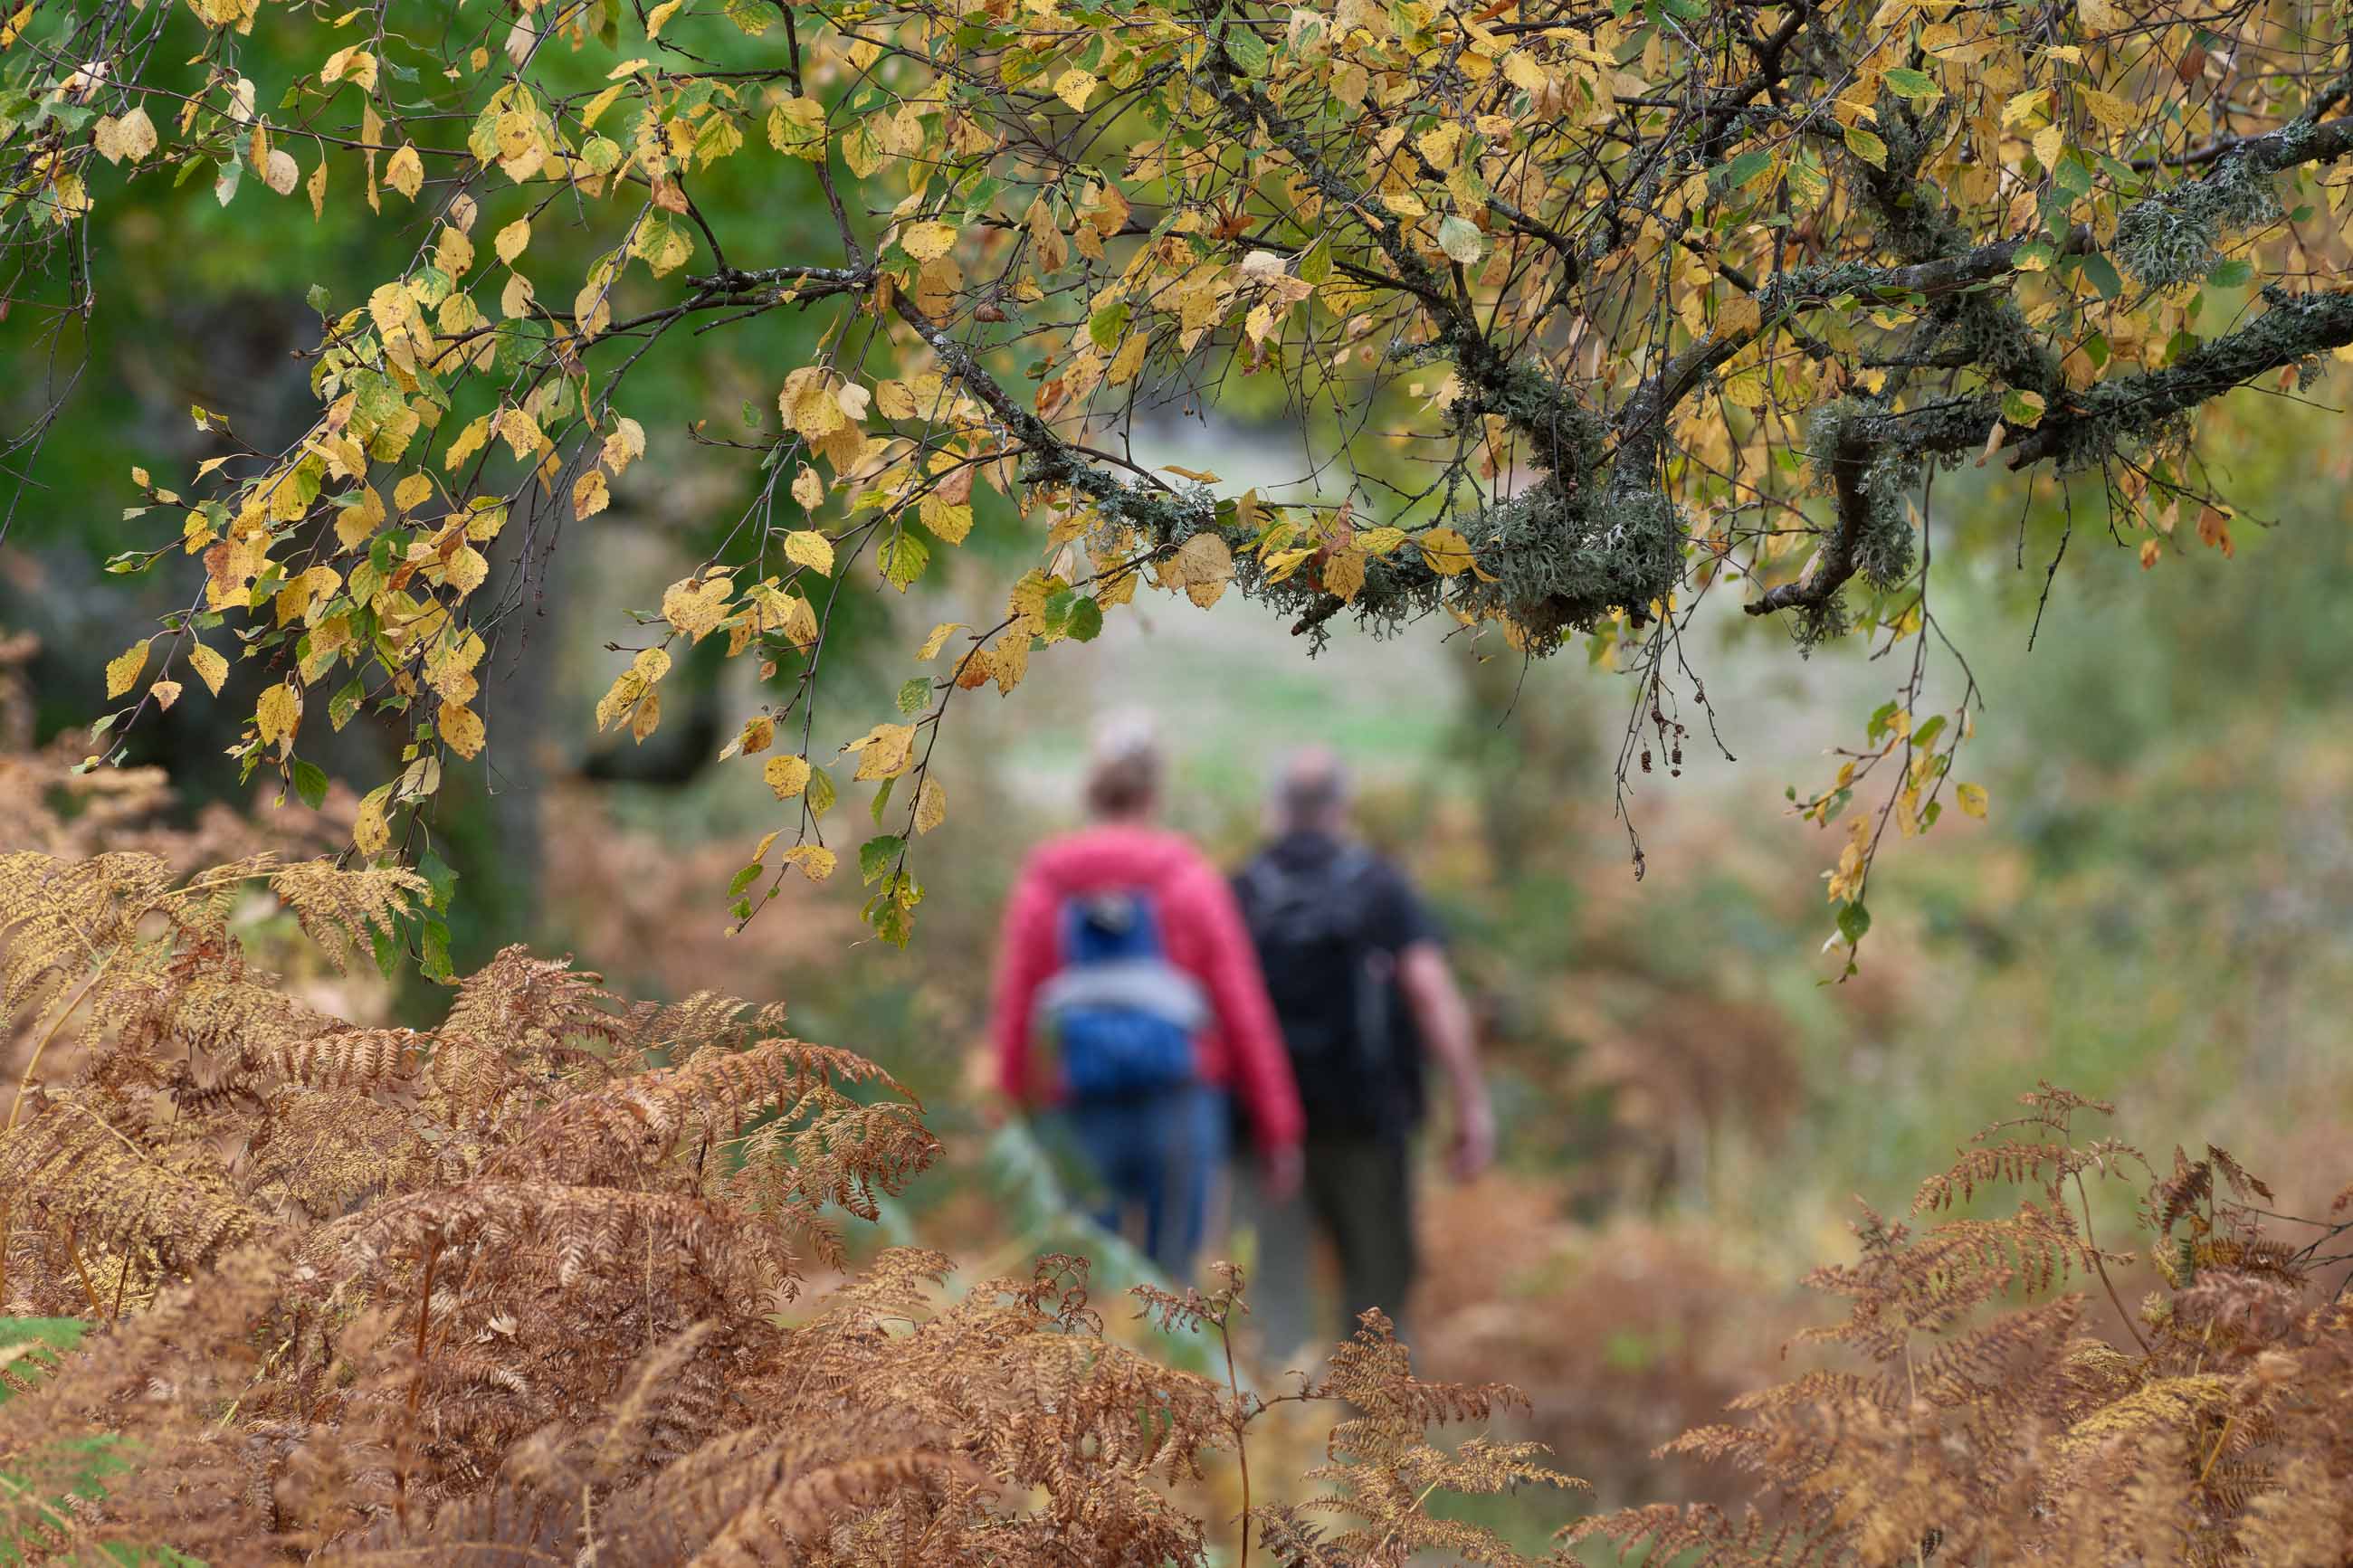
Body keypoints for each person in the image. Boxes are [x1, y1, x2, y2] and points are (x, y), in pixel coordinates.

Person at [991, 714, 1304, 1277]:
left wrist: (1012, 1112)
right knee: (1170, 1290)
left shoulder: (1045, 883)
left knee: (1077, 1296)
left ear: (1090, 789)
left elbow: (1016, 1008)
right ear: (1155, 792)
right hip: (1180, 1104)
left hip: (1075, 1108)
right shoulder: (1189, 879)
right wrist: (1278, 1129)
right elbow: (1243, 1011)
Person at [1233, 746, 1495, 1358]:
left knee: (1274, 1300)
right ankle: (1376, 1445)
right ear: (1341, 807)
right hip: (1370, 1126)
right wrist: (1471, 1104)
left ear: (1276, 808)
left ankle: (1278, 1438)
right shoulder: (1381, 888)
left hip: (1265, 1132)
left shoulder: (1242, 890)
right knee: (1377, 1303)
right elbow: (1430, 993)